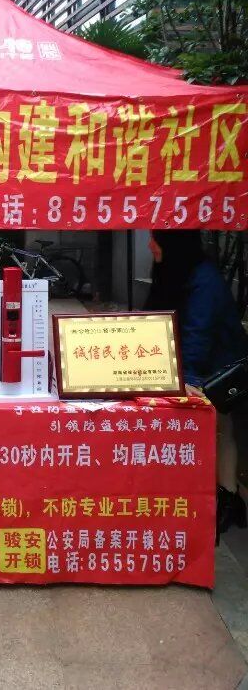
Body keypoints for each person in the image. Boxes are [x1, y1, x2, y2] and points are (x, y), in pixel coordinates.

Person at [145, 229, 248, 536]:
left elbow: (197, 334)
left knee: (220, 428)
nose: (150, 244)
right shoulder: (175, 270)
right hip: (200, 367)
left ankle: (227, 499)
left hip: (218, 369)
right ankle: (225, 497)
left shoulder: (205, 280)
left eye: (155, 238)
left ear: (173, 244)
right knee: (219, 430)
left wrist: (188, 380)